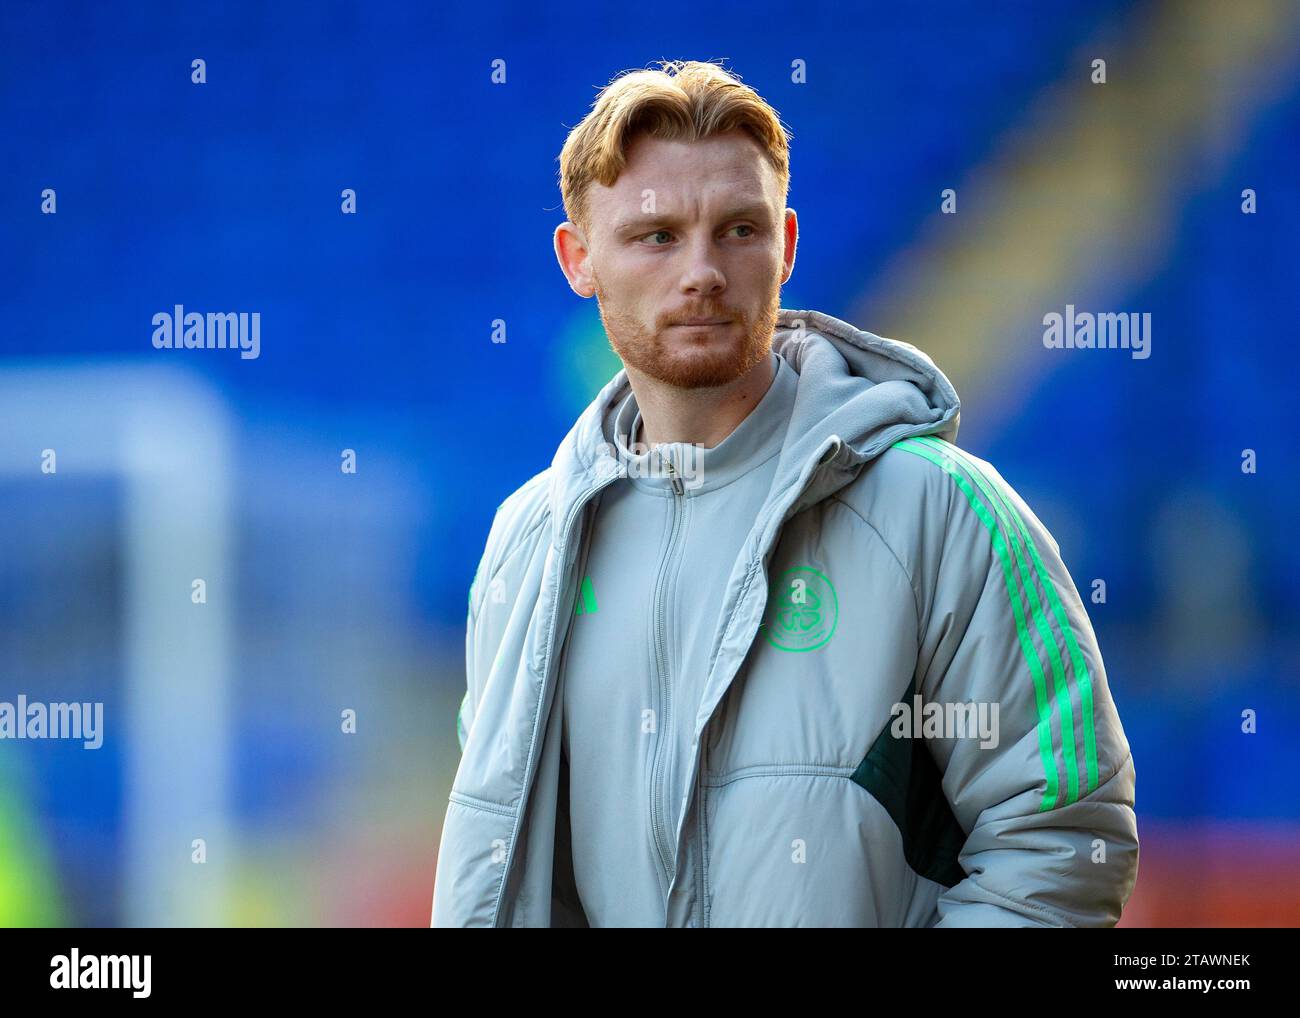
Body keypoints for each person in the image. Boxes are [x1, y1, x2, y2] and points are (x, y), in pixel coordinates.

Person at [432, 59, 1138, 927]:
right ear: (580, 259)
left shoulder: (945, 514)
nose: (702, 272)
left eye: (738, 230)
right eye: (656, 237)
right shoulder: (527, 545)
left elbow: (1062, 843)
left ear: (787, 246)